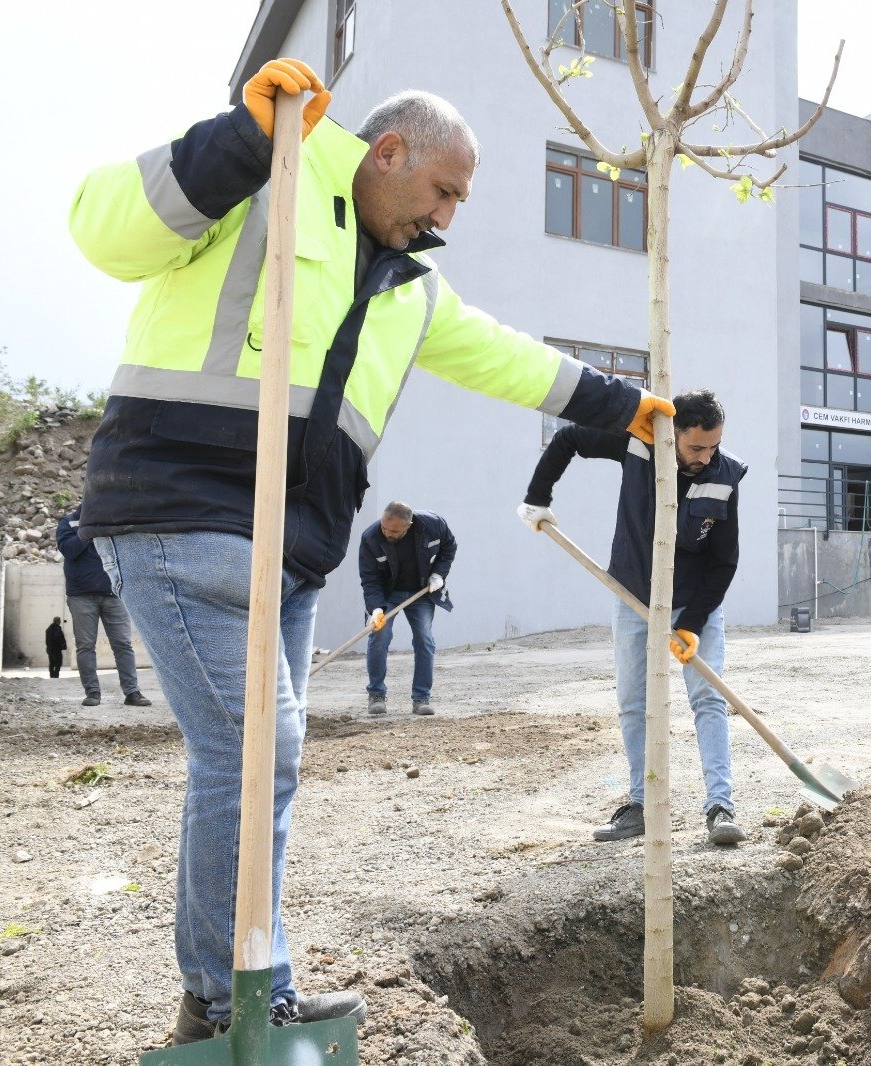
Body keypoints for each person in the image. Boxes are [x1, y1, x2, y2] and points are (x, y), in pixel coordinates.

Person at [69, 58, 673, 1045]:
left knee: (261, 756)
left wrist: (624, 406)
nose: (447, 215)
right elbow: (102, 226)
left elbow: (505, 354)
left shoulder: (414, 288)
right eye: (443, 189)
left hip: (292, 549)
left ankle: (228, 991)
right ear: (387, 153)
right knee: (255, 749)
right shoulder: (271, 172)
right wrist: (240, 141)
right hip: (186, 510)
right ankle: (231, 997)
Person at [518, 389, 748, 846]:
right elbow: (568, 440)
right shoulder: (638, 444)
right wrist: (537, 498)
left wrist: (693, 622)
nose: (705, 457)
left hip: (691, 603)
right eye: (695, 447)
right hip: (632, 596)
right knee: (634, 703)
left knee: (708, 701)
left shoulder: (725, 475)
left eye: (713, 446)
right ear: (672, 435)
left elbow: (724, 561)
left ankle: (720, 807)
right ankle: (641, 805)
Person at [358, 502, 454, 715]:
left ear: (408, 525)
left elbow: (449, 546)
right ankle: (376, 694)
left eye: (393, 531)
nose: (386, 532)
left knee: (424, 639)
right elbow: (370, 579)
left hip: (421, 591)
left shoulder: (433, 525)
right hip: (386, 595)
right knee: (379, 636)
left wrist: (439, 574)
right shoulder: (371, 538)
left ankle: (421, 698)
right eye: (384, 526)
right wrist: (376, 609)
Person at [56, 508, 150, 707]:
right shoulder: (69, 523)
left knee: (123, 644)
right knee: (85, 646)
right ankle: (92, 693)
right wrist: (88, 529)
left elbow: (127, 551)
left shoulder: (112, 520)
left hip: (114, 593)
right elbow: (69, 551)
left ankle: (132, 692)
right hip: (81, 596)